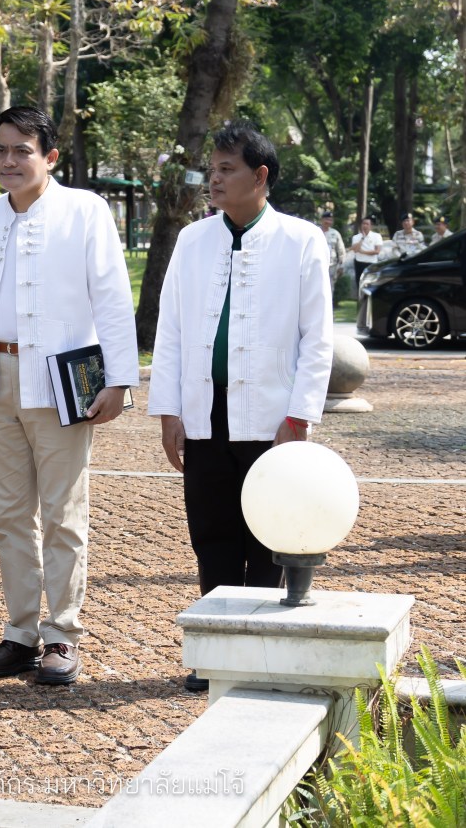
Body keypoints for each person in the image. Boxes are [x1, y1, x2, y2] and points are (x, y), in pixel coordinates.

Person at [0, 105, 138, 686]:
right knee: (9, 516)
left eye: (21, 150)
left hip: (63, 382)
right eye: (1, 150)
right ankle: (20, 632)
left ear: (49, 157)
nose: (8, 161)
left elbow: (111, 296)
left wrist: (120, 380)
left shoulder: (85, 211)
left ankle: (63, 634)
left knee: (62, 512)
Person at [148, 122, 334, 693]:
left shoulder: (301, 240)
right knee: (212, 531)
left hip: (273, 416)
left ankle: (257, 650)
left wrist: (299, 416)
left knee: (267, 535)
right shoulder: (193, 240)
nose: (215, 180)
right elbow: (173, 330)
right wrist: (169, 411)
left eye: (228, 170)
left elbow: (316, 337)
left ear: (261, 176)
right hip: (206, 413)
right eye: (213, 170)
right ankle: (216, 648)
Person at [350, 216, 382, 285]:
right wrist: (362, 238)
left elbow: (377, 251)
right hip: (359, 263)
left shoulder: (377, 236)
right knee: (359, 282)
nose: (365, 226)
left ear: (371, 226)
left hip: (371, 263)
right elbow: (355, 250)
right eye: (363, 224)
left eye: (367, 224)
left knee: (371, 282)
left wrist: (363, 252)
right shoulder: (356, 237)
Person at [319, 211, 345, 295]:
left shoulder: (335, 233)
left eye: (330, 220)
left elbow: (341, 250)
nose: (328, 222)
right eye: (326, 219)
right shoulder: (316, 231)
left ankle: (329, 307)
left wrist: (341, 265)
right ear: (322, 220)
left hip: (331, 264)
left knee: (330, 287)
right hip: (317, 263)